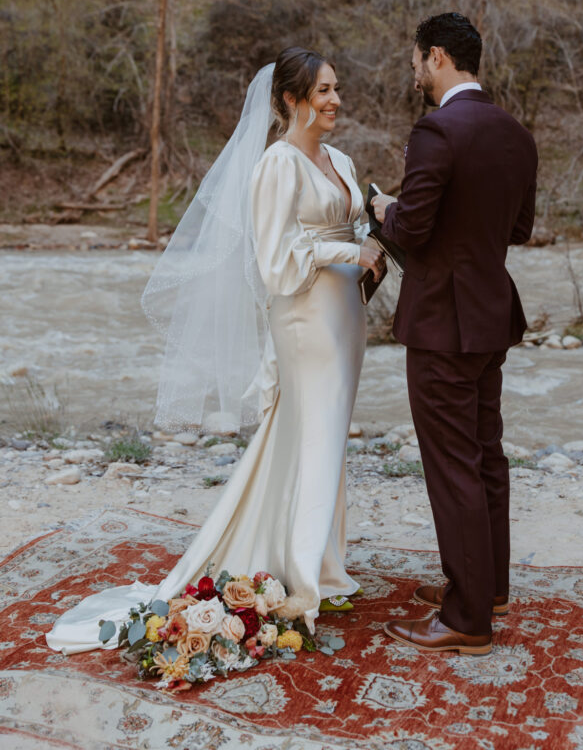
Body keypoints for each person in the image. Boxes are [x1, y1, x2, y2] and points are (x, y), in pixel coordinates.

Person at [46, 47, 384, 654]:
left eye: (337, 88)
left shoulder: (340, 158)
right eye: (324, 91)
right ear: (289, 100)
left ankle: (325, 566)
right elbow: (275, 261)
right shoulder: (276, 166)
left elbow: (350, 229)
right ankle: (304, 578)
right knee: (313, 436)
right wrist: (345, 252)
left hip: (346, 317)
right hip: (305, 318)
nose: (336, 100)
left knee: (327, 439)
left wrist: (370, 248)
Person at [372, 13, 537, 656]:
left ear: (436, 56)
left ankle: (468, 617)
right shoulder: (516, 134)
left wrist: (386, 209)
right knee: (485, 453)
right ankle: (488, 584)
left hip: (443, 318)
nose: (414, 71)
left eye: (416, 60)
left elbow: (410, 231)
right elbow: (517, 230)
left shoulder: (438, 128)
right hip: (492, 314)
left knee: (452, 465)